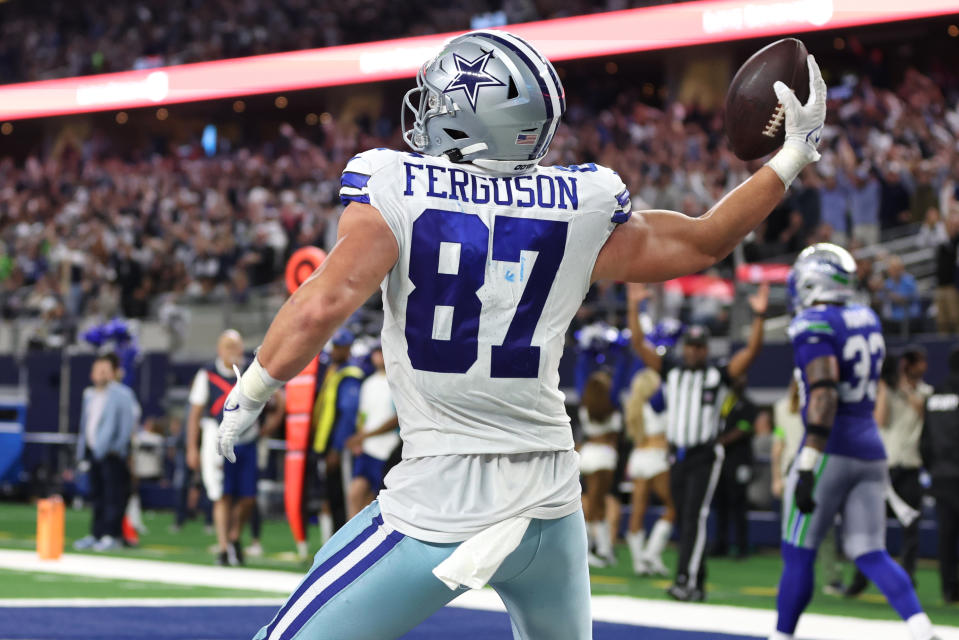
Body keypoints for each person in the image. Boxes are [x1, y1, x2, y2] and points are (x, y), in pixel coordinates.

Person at [216, 30, 827, 639]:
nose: (427, 113)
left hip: (443, 500)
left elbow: (323, 303)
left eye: (440, 103)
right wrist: (793, 155)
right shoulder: (577, 203)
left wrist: (254, 389)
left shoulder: (395, 184)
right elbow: (705, 239)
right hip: (552, 501)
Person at [770, 244, 940, 640]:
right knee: (870, 551)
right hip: (871, 450)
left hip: (830, 449)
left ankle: (780, 636)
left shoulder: (813, 321)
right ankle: (921, 628)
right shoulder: (867, 316)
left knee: (798, 553)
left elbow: (825, 394)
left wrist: (809, 462)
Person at [630, 281, 769, 601]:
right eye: (689, 346)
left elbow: (751, 353)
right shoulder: (672, 370)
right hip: (676, 454)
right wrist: (635, 306)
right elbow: (638, 344)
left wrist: (760, 317)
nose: (693, 350)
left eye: (698, 346)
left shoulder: (717, 375)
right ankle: (696, 578)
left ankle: (687, 581)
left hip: (705, 454)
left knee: (695, 516)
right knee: (685, 515)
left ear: (706, 349)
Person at [187, 330, 257, 566]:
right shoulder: (207, 374)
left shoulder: (251, 371)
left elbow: (276, 401)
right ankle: (224, 547)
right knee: (221, 495)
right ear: (219, 350)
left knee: (248, 497)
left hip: (248, 439)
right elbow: (195, 414)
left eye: (236, 347)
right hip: (218, 439)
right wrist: (191, 448)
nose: (233, 352)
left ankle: (235, 534)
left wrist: (266, 429)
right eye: (228, 347)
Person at [623, 287, 679, 576]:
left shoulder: (637, 403)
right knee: (673, 508)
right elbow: (639, 345)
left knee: (638, 512)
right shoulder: (660, 397)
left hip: (638, 458)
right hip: (657, 457)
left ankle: (639, 562)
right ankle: (651, 555)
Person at [73, 353, 137, 552]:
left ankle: (112, 535)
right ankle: (97, 533)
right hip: (94, 452)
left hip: (112, 454)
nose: (100, 374)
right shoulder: (89, 394)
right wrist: (82, 452)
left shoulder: (122, 394)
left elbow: (127, 425)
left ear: (112, 373)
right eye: (97, 370)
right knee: (97, 495)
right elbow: (86, 425)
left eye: (104, 370)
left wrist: (117, 448)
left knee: (114, 496)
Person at [309, 328, 364, 539]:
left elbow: (348, 413)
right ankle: (333, 541)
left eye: (341, 347)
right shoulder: (335, 371)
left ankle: (343, 543)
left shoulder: (350, 375)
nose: (336, 351)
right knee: (330, 497)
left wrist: (337, 449)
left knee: (341, 497)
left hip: (337, 447)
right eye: (335, 346)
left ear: (349, 349)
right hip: (325, 443)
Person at [920, 347, 959, 604]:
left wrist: (933, 468)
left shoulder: (933, 397)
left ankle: (948, 589)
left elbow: (925, 442)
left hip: (941, 477)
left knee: (946, 535)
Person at [345, 343, 399, 519]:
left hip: (389, 449)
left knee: (379, 501)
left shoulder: (397, 382)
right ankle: (351, 540)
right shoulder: (368, 383)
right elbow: (363, 415)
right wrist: (361, 437)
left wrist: (364, 435)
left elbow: (396, 419)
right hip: (368, 449)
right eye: (376, 352)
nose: (378, 356)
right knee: (355, 494)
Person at [576, 370, 622, 567]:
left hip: (587, 455)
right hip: (604, 457)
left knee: (596, 504)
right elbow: (614, 437)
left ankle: (604, 549)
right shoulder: (611, 409)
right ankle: (585, 551)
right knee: (595, 505)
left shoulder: (585, 408)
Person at [712, 375, 759, 559]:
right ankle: (720, 544)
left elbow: (744, 428)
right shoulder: (723, 403)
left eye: (741, 379)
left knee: (739, 504)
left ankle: (741, 546)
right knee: (720, 504)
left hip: (739, 460)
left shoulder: (748, 404)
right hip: (721, 461)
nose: (738, 382)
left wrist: (721, 441)